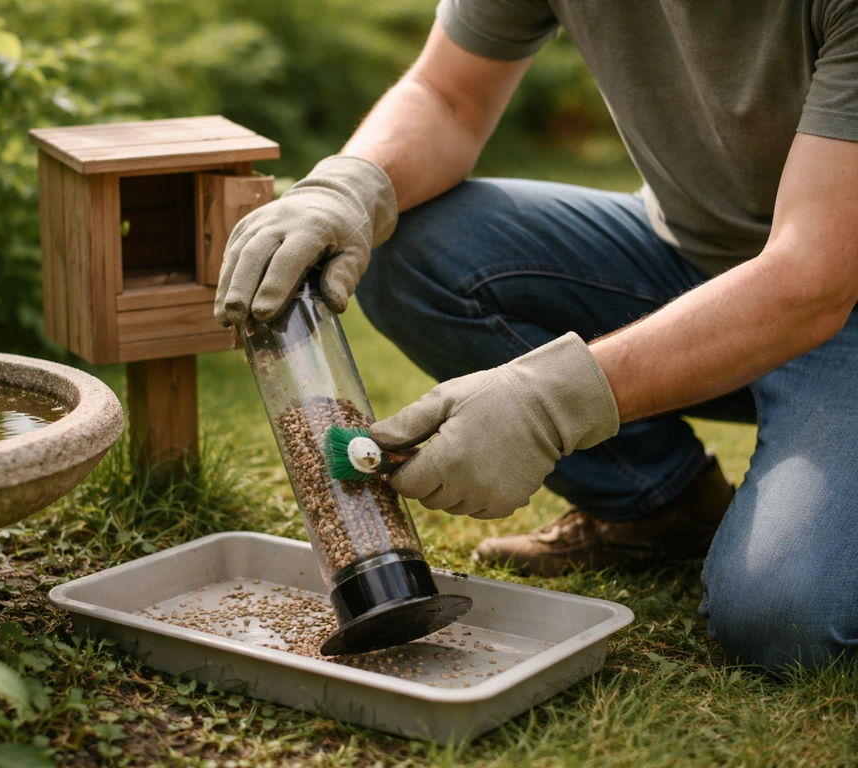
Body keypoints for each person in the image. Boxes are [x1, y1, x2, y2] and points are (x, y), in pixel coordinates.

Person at [213, 1, 858, 673]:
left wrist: (550, 401)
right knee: (408, 238)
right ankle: (661, 506)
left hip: (837, 282)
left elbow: (812, 277)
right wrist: (350, 187)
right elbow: (447, 93)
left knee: (786, 621)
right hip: (690, 256)